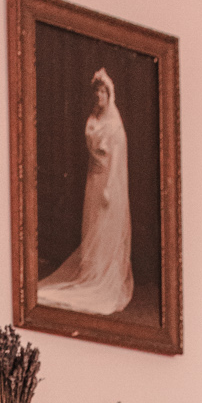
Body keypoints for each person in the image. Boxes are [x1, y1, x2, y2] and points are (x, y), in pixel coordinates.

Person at [38, 67, 134, 316]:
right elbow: (94, 149)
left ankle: (103, 275)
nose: (99, 97)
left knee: (106, 228)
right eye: (97, 92)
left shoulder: (115, 126)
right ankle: (90, 273)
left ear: (109, 95)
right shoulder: (92, 121)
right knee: (92, 225)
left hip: (109, 184)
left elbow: (117, 162)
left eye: (103, 92)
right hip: (94, 179)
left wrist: (111, 188)